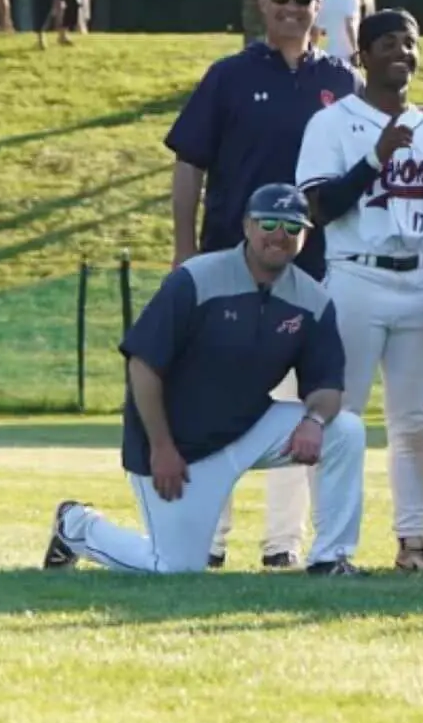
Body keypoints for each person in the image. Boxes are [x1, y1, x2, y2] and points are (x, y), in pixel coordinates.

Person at [44, 184, 365, 574]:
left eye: (291, 227)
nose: (279, 235)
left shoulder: (312, 300)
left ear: (305, 236)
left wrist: (314, 422)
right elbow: (143, 365)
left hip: (248, 427)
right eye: (268, 222)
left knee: (344, 429)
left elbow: (328, 386)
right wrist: (161, 447)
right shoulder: (196, 279)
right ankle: (75, 526)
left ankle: (330, 559)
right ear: (247, 226)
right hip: (178, 445)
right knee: (175, 568)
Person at [164, 0, 359, 568]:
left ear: (317, 9)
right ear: (262, 3)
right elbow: (188, 163)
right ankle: (207, 538)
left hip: (312, 267)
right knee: (208, 398)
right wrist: (183, 249)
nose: (292, 9)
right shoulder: (228, 76)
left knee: (303, 407)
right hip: (228, 259)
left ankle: (282, 544)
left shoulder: (342, 81)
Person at [295, 8, 423, 572]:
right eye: (387, 42)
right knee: (338, 417)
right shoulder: (333, 123)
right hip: (356, 276)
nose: (401, 52)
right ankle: (333, 547)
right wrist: (374, 159)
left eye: (409, 43)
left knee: (413, 423)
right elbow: (317, 210)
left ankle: (412, 544)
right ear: (361, 56)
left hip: (418, 281)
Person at [315, 0, 364, 65]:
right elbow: (349, 25)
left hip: (330, 51)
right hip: (347, 53)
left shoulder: (326, 0)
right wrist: (355, 50)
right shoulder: (353, 0)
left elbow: (317, 28)